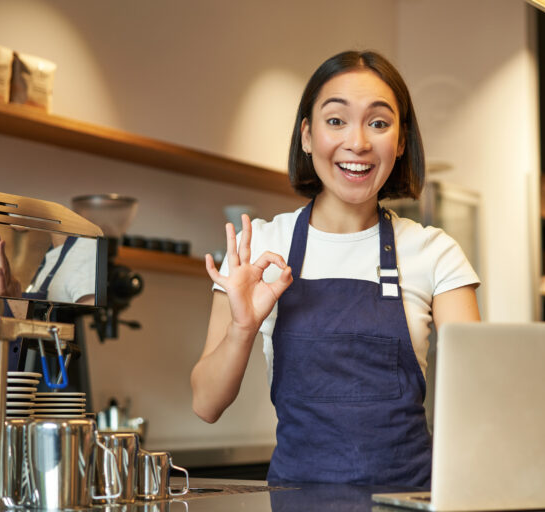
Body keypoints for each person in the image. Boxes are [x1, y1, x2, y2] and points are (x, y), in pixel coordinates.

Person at [191, 50, 481, 487]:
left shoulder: (434, 252)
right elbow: (206, 404)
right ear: (307, 136)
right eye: (335, 120)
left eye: (379, 123)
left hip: (406, 503)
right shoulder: (261, 248)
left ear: (401, 142)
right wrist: (242, 327)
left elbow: (479, 398)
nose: (359, 142)